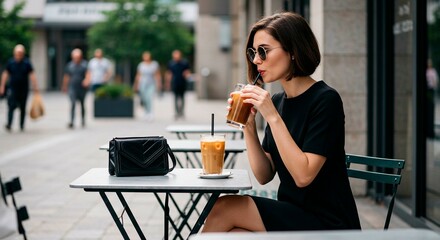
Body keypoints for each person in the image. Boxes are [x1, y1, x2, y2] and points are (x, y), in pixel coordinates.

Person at [202, 12, 361, 232]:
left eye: (263, 51)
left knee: (224, 206)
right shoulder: (278, 101)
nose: (256, 60)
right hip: (292, 212)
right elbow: (264, 175)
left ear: (293, 51)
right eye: (253, 52)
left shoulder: (326, 100)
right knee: (234, 234)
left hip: (328, 222)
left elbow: (303, 176)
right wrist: (248, 128)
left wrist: (272, 117)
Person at [0, 44, 39, 132]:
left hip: (23, 89)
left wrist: (35, 87)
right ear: (14, 53)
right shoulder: (11, 62)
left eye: (21, 53)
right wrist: (2, 86)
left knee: (22, 107)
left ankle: (21, 125)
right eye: (18, 53)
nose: (19, 54)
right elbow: (5, 74)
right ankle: (9, 124)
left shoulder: (27, 63)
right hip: (13, 88)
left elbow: (32, 75)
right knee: (11, 106)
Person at [62, 48, 88, 129]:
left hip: (82, 88)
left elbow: (88, 74)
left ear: (80, 57)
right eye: (75, 57)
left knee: (82, 104)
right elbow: (66, 76)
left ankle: (83, 120)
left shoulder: (84, 65)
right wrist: (64, 86)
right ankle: (72, 121)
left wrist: (86, 80)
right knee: (73, 104)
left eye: (78, 57)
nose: (76, 58)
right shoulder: (70, 65)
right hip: (72, 87)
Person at [133, 51, 161, 121]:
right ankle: (146, 112)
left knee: (149, 98)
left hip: (151, 83)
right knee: (144, 98)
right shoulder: (141, 65)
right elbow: (138, 75)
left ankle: (150, 112)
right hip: (142, 83)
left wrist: (159, 83)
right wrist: (136, 84)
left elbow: (157, 74)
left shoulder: (154, 64)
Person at [166, 50, 191, 119]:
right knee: (175, 98)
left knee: (182, 98)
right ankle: (177, 112)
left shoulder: (184, 63)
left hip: (183, 82)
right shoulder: (171, 63)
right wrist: (168, 83)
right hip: (175, 82)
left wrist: (187, 75)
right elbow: (169, 73)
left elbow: (187, 72)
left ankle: (182, 111)